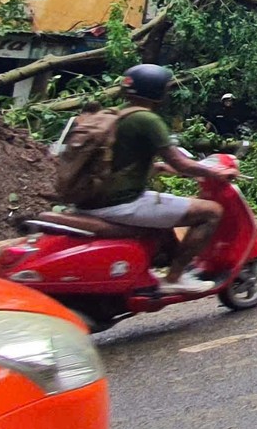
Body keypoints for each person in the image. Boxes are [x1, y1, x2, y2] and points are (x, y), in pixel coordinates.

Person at [76, 64, 237, 294]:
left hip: (94, 199)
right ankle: (175, 277)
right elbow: (180, 162)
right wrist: (217, 172)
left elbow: (118, 162)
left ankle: (155, 267)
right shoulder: (146, 119)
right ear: (157, 92)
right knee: (211, 212)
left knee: (170, 207)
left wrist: (156, 168)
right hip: (121, 203)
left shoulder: (117, 115)